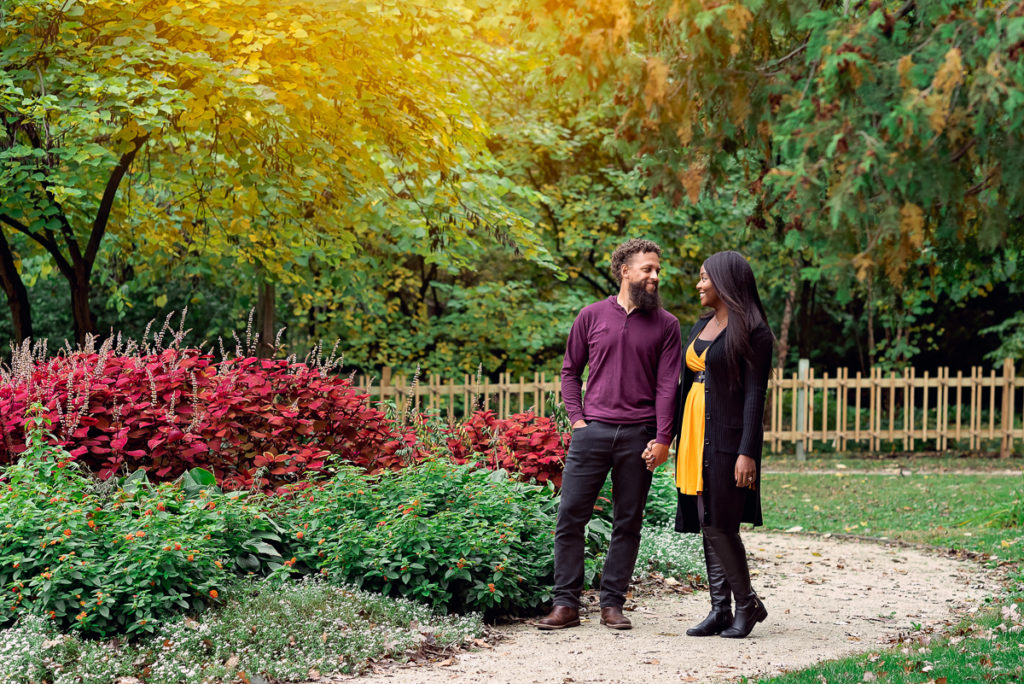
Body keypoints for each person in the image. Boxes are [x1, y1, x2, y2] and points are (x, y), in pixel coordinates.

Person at [536, 238, 681, 631]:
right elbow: (570, 371)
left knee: (628, 521)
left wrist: (664, 438)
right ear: (625, 271)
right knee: (570, 517)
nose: (655, 276)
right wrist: (578, 420)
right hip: (592, 432)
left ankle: (612, 604)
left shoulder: (667, 325)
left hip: (640, 438)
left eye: (657, 270)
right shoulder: (591, 316)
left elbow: (669, 385)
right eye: (648, 268)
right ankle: (565, 604)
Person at [644, 250, 774, 639]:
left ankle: (746, 605)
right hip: (695, 433)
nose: (699, 284)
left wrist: (747, 451)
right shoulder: (704, 324)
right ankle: (720, 609)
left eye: (704, 278)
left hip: (728, 439)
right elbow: (686, 382)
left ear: (725, 281)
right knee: (706, 520)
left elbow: (755, 395)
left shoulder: (753, 330)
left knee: (721, 523)